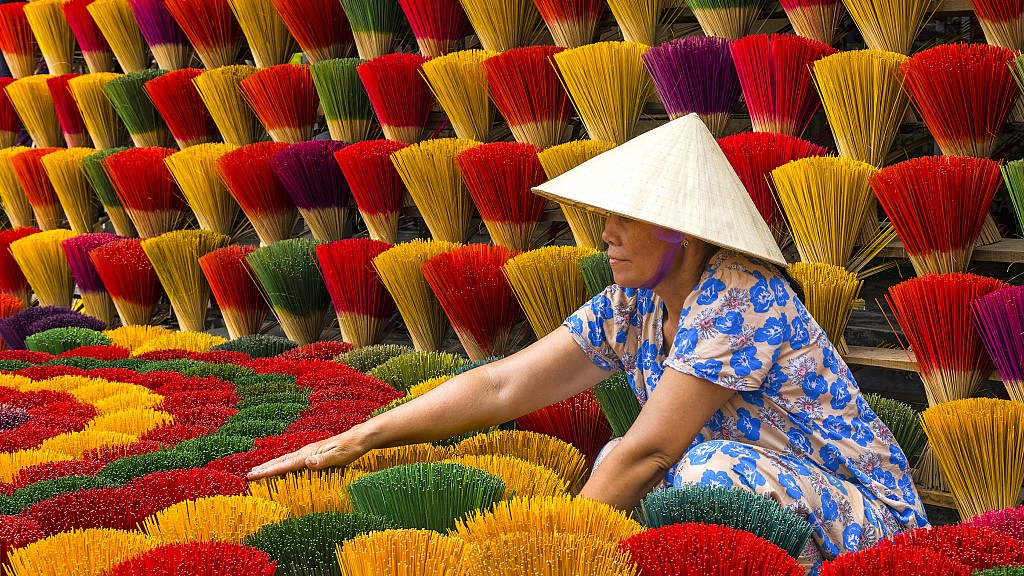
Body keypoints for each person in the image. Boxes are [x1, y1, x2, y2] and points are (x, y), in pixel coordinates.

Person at [247, 115, 928, 567]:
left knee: (698, 472)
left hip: (866, 530)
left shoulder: (743, 297)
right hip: (768, 506)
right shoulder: (630, 307)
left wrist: (552, 555)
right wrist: (356, 439)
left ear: (680, 231)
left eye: (624, 220)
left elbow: (653, 448)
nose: (604, 234)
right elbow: (501, 384)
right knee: (638, 467)